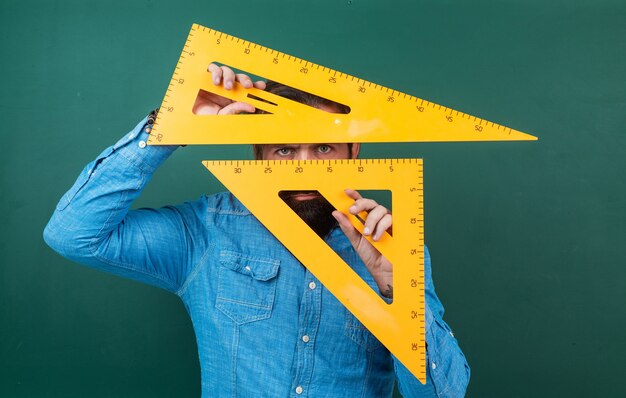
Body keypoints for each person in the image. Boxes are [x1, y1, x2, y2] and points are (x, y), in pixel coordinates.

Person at [44, 63, 470, 397]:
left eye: (323, 147)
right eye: (284, 149)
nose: (304, 169)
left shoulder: (393, 249)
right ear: (257, 155)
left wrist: (399, 291)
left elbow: (442, 394)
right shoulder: (208, 231)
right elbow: (72, 233)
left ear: (354, 151)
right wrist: (171, 126)